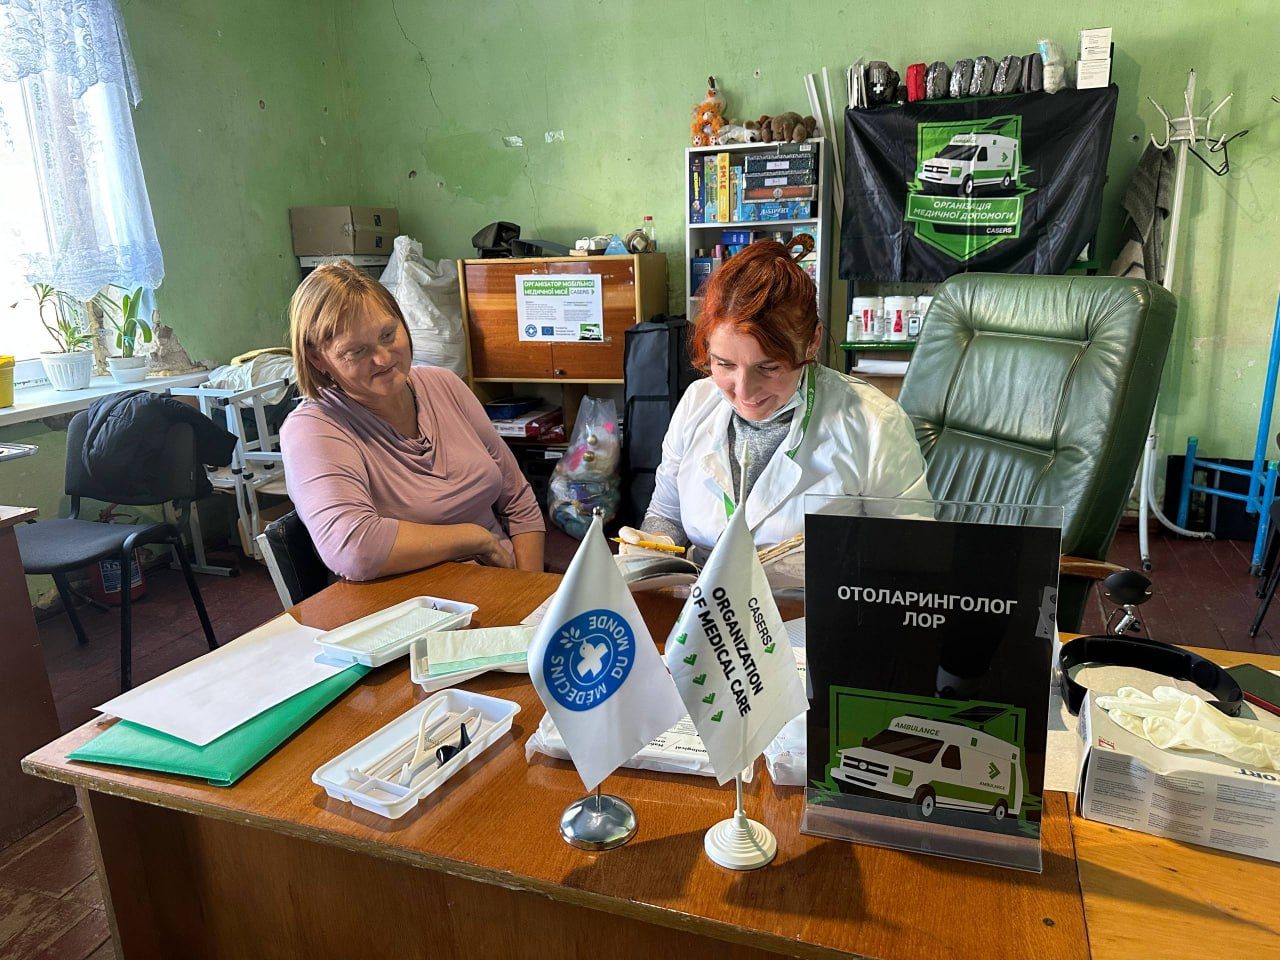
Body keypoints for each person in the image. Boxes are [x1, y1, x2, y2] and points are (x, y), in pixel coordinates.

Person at [622, 238, 929, 567]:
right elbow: (666, 514)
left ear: (812, 342)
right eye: (724, 364)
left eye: (768, 368)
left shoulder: (874, 424)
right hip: (704, 592)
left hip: (811, 597)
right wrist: (656, 544)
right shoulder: (697, 402)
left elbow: (910, 553)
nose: (744, 392)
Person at [281, 261, 544, 581]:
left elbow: (518, 501)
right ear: (316, 358)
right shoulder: (313, 429)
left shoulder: (445, 385)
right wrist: (477, 539)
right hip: (416, 601)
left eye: (388, 334)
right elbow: (354, 550)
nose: (383, 359)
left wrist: (532, 588)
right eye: (356, 351)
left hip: (503, 580)